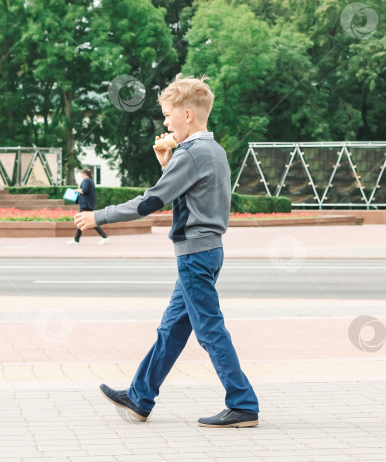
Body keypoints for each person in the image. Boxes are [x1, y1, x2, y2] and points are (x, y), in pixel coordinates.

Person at [75, 74, 259, 428]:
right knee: (171, 330)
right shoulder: (214, 150)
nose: (165, 121)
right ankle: (140, 397)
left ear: (187, 115)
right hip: (207, 251)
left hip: (193, 255)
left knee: (209, 330)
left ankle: (243, 403)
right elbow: (194, 194)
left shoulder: (190, 153)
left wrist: (98, 216)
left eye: (167, 113)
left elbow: (149, 203)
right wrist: (167, 164)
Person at [68, 169, 109, 245]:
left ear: (84, 174)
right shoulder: (90, 181)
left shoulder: (86, 180)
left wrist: (76, 190)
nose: (81, 176)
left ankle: (104, 236)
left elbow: (84, 190)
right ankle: (76, 239)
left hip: (86, 205)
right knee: (82, 221)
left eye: (81, 174)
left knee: (90, 221)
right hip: (87, 204)